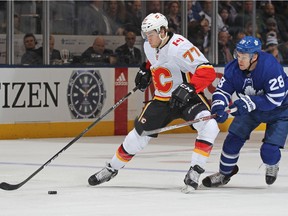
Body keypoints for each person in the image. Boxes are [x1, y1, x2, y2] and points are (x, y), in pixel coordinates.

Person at [88, 13, 219, 193]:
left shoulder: (180, 47)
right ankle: (112, 168)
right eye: (145, 34)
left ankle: (195, 171)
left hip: (187, 99)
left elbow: (207, 71)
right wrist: (146, 70)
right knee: (138, 136)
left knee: (209, 125)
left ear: (163, 31)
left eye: (150, 34)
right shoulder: (150, 45)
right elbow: (156, 60)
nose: (147, 38)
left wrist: (190, 87)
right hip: (162, 100)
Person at [202, 36, 288, 188]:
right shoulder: (232, 68)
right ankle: (224, 174)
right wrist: (218, 107)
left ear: (254, 57)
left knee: (269, 151)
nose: (239, 60)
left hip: (280, 110)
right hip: (252, 110)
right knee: (232, 141)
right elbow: (222, 90)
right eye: (238, 55)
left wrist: (249, 102)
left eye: (244, 56)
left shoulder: (270, 67)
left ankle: (272, 164)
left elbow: (275, 99)